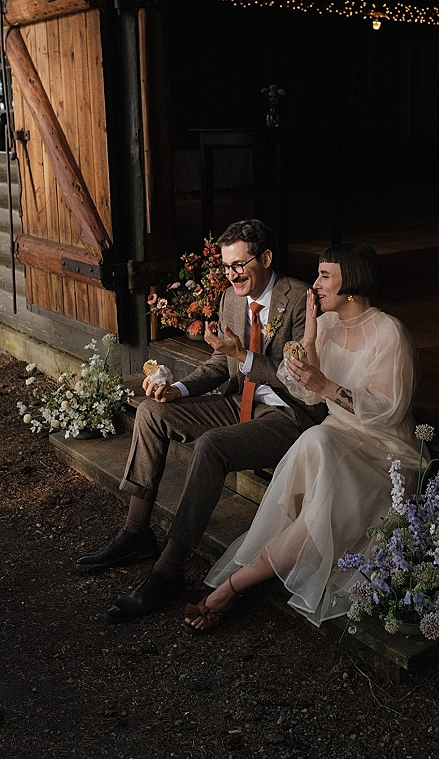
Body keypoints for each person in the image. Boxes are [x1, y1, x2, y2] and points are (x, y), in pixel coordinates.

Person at [76, 219, 327, 621]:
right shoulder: (230, 298)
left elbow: (295, 376)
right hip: (239, 400)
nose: (232, 275)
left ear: (265, 258)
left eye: (239, 265)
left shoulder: (298, 298)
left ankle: (168, 571)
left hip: (287, 412)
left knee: (212, 445)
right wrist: (180, 390)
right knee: (151, 411)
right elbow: (218, 361)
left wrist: (243, 356)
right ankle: (136, 531)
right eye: (226, 267)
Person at [182, 241, 426, 632]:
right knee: (317, 444)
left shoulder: (390, 333)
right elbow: (306, 393)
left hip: (385, 454)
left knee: (316, 443)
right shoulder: (326, 325)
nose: (314, 285)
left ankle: (233, 586)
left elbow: (388, 412)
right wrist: (311, 341)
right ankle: (241, 580)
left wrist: (327, 384)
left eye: (325, 276)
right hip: (333, 439)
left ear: (353, 282)